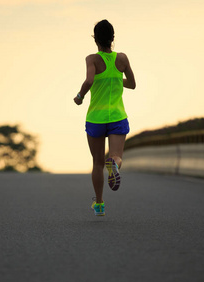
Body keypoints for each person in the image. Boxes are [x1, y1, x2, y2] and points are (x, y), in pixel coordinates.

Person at [74, 20, 136, 216]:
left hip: (96, 118)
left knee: (97, 163)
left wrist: (80, 96)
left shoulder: (92, 59)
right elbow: (133, 84)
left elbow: (89, 80)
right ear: (113, 38)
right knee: (116, 156)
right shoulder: (123, 58)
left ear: (95, 39)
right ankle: (115, 164)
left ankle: (99, 204)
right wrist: (116, 78)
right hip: (117, 116)